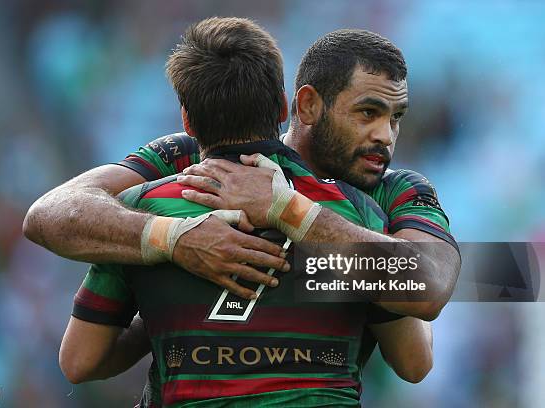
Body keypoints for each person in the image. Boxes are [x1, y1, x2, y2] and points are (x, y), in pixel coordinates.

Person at [59, 17, 433, 407]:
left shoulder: (141, 207)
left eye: (394, 118)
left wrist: (165, 292)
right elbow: (414, 360)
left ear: (187, 120)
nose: (385, 135)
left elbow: (80, 361)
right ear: (285, 107)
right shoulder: (358, 213)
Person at [23, 29, 460, 319]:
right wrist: (174, 241)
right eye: (368, 113)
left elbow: (432, 288)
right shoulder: (192, 155)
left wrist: (289, 212)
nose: (386, 135)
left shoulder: (398, 190)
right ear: (304, 106)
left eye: (396, 117)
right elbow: (48, 216)